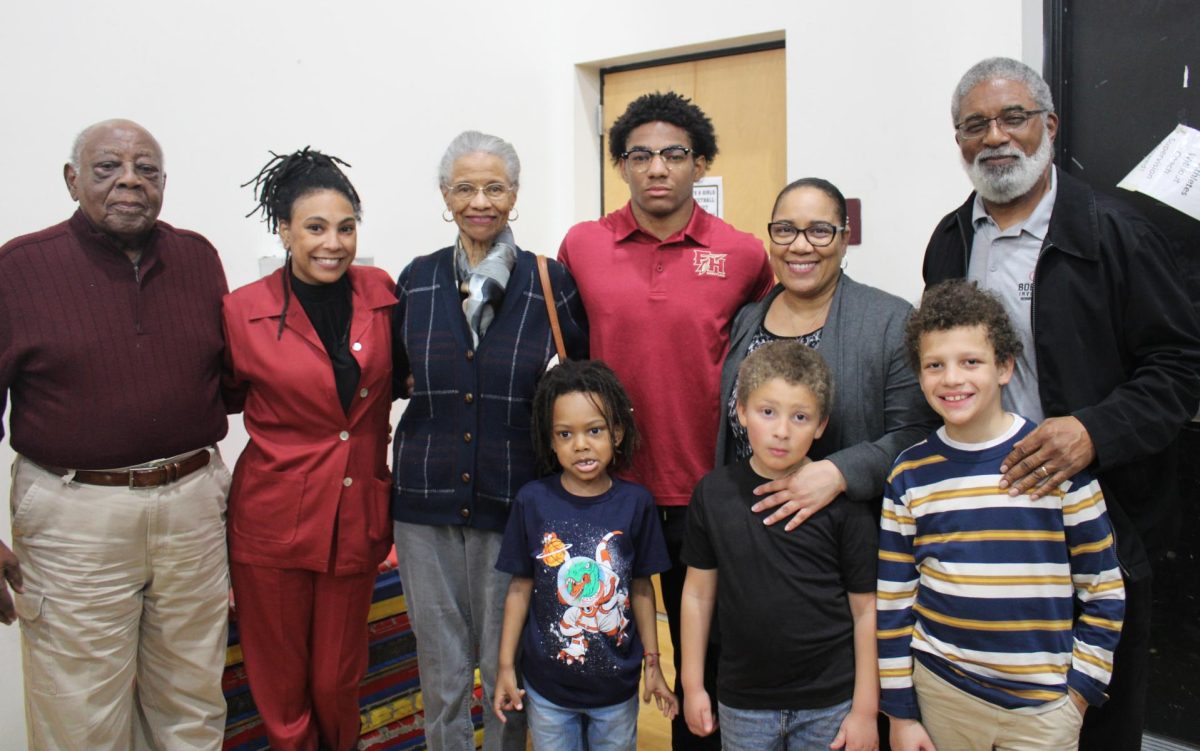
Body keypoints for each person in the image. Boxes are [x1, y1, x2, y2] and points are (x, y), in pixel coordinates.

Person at [923, 56, 1200, 749]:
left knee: (1094, 715)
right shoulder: (950, 241)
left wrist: (1093, 431)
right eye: (975, 125)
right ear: (959, 141)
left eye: (1013, 117)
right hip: (986, 523)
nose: (996, 137)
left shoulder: (1117, 232)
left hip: (1102, 519)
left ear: (1048, 125)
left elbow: (1182, 365)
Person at [0, 119, 231, 749]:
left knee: (192, 703)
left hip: (192, 506)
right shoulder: (19, 268)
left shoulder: (197, 257)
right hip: (75, 518)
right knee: (81, 718)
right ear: (72, 180)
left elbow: (230, 379)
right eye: (107, 167)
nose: (130, 180)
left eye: (146, 168)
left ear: (163, 184)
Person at [558, 91, 774, 750]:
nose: (657, 169)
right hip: (604, 488)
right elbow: (568, 355)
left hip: (704, 487)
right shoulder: (583, 245)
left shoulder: (742, 254)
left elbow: (771, 356)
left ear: (699, 163)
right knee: (591, 641)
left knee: (703, 659)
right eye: (641, 155)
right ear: (621, 165)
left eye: (674, 155)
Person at [392, 130, 587, 751]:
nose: (481, 200)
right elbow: (397, 378)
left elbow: (580, 386)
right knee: (440, 664)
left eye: (494, 187)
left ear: (515, 195)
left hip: (516, 502)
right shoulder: (417, 280)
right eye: (465, 187)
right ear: (445, 196)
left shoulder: (549, 281)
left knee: (508, 664)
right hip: (424, 502)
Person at [878, 279, 1126, 751]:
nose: (952, 379)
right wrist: (900, 712)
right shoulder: (908, 473)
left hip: (1044, 708)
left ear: (1005, 367)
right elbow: (894, 602)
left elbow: (1103, 588)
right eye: (935, 365)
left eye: (971, 362)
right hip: (941, 695)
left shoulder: (1054, 461)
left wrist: (1079, 694)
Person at [223, 148, 395, 750]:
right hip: (271, 522)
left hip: (355, 520)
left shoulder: (381, 293)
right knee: (281, 687)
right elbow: (217, 395)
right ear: (285, 231)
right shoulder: (242, 311)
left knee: (337, 680)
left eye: (346, 228)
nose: (333, 242)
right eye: (316, 228)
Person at [682, 340, 878, 751]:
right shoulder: (713, 494)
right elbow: (698, 596)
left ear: (821, 424)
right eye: (767, 412)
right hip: (743, 702)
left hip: (830, 703)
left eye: (801, 416)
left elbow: (866, 611)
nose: (782, 431)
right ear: (741, 411)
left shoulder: (845, 504)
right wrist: (692, 684)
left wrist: (864, 711)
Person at [718, 178, 934, 524]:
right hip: (746, 529)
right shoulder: (746, 320)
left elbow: (918, 432)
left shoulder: (889, 321)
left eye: (819, 231)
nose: (800, 246)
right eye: (785, 230)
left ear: (844, 239)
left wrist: (840, 472)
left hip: (842, 537)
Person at [492, 359, 676, 750]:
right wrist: (505, 667)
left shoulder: (636, 503)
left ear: (618, 432)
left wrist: (654, 664)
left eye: (594, 430)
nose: (581, 445)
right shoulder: (532, 501)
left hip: (616, 690)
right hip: (548, 691)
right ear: (551, 440)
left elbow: (642, 588)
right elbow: (519, 588)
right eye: (565, 434)